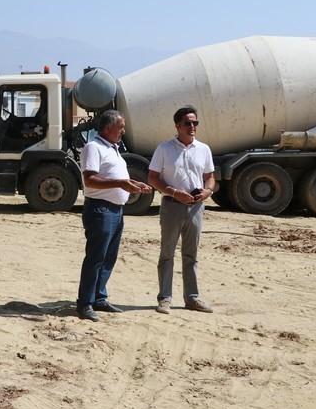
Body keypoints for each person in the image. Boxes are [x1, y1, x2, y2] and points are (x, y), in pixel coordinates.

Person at [77, 110, 152, 322]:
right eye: (121, 127)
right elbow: (90, 180)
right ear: (108, 128)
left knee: (108, 257)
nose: (124, 131)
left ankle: (99, 298)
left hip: (116, 210)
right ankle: (85, 303)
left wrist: (133, 184)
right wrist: (121, 183)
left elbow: (116, 177)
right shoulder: (94, 147)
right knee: (95, 258)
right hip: (100, 210)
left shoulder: (113, 149)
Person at [147, 106, 216, 314]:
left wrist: (207, 191)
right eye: (188, 123)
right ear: (177, 126)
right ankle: (165, 299)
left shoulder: (203, 149)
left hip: (196, 208)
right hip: (172, 207)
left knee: (191, 255)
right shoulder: (164, 149)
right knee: (167, 254)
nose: (192, 126)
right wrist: (174, 193)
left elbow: (210, 177)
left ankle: (192, 298)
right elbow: (152, 178)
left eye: (195, 123)